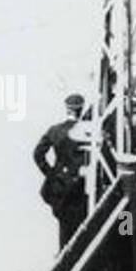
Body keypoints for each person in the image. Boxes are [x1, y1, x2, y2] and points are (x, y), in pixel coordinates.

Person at [34, 93, 90, 249]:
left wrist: (52, 174)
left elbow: (38, 154)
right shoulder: (87, 131)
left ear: (67, 109)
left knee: (65, 229)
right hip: (81, 187)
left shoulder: (55, 130)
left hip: (60, 188)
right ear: (81, 109)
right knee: (81, 231)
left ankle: (64, 259)